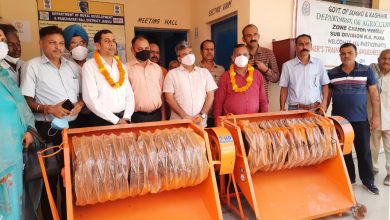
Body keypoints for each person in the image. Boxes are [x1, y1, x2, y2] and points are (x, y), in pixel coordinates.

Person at [20, 25, 84, 219]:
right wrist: (49, 109)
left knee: (71, 176)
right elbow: (26, 101)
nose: (58, 47)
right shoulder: (32, 66)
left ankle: (69, 215)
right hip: (47, 129)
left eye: (61, 43)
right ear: (41, 43)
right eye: (52, 43)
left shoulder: (72, 66)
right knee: (50, 177)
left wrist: (80, 105)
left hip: (72, 129)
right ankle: (50, 216)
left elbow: (82, 96)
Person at [328, 43, 380, 195]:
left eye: (349, 52)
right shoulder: (332, 73)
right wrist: (323, 115)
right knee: (345, 152)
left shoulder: (366, 70)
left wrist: (375, 116)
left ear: (356, 54)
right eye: (343, 53)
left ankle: (368, 181)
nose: (346, 56)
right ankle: (349, 179)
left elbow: (374, 95)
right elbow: (327, 96)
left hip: (361, 119)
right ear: (339, 55)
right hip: (339, 121)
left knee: (364, 152)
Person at [0, 26, 35, 220]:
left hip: (12, 153)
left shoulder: (3, 75)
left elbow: (20, 106)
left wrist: (29, 129)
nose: (2, 45)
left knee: (13, 206)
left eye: (2, 40)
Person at [82, 29, 135, 126]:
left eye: (113, 40)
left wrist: (127, 117)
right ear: (97, 45)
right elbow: (90, 99)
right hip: (102, 120)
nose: (112, 44)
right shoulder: (89, 66)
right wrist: (116, 120)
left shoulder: (121, 66)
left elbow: (129, 95)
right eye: (107, 41)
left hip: (124, 119)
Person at [163, 41, 217, 126]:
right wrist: (183, 115)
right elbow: (169, 98)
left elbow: (211, 95)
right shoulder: (172, 74)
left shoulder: (204, 72)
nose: (189, 55)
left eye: (190, 52)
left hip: (200, 122)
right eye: (185, 54)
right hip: (179, 122)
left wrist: (202, 115)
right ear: (179, 59)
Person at [214, 44, 267, 120]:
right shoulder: (225, 77)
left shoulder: (257, 75)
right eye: (238, 55)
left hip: (253, 123)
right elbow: (218, 103)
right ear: (233, 58)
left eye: (245, 55)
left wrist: (264, 120)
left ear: (249, 57)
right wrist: (218, 123)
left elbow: (263, 101)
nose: (242, 57)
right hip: (231, 123)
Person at [279, 34, 329, 111]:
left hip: (315, 109)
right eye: (301, 44)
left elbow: (325, 84)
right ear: (295, 47)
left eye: (307, 44)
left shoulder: (319, 63)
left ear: (311, 46)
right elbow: (284, 88)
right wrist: (282, 108)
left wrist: (324, 102)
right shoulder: (287, 66)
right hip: (294, 109)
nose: (304, 47)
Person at [126, 36, 165, 122]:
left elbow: (161, 95)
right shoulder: (126, 69)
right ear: (133, 50)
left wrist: (163, 117)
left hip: (157, 115)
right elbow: (124, 96)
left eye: (147, 48)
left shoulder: (157, 68)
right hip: (136, 117)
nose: (144, 51)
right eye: (140, 49)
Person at [368, 49, 390, 186]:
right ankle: (373, 168)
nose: (386, 61)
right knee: (372, 146)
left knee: (389, 147)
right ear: (378, 59)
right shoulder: (371, 72)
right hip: (373, 116)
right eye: (383, 58)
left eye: (389, 59)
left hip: (389, 117)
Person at [242, 24, 280, 101]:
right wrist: (244, 67)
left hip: (262, 99)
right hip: (242, 98)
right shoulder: (239, 54)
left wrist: (266, 69)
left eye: (255, 34)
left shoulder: (268, 53)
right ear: (243, 39)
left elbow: (276, 78)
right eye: (249, 36)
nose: (253, 38)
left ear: (258, 36)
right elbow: (231, 76)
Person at [199, 40, 225, 126]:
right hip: (199, 113)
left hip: (217, 112)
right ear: (201, 51)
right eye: (206, 49)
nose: (209, 52)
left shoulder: (221, 70)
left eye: (212, 49)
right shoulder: (195, 69)